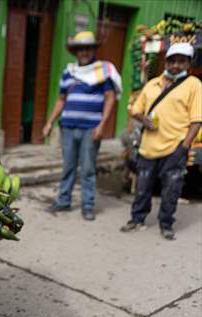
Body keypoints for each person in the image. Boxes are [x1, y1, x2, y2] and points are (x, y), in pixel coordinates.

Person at [120, 43, 201, 240]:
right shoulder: (152, 84)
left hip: (174, 147)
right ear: (166, 62)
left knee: (171, 189)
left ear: (188, 63)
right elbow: (136, 110)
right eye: (172, 61)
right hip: (148, 147)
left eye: (181, 61)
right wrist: (143, 120)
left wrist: (184, 146)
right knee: (142, 187)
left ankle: (166, 223)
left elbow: (197, 119)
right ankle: (137, 219)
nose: (175, 66)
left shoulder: (194, 85)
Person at [43, 31, 121, 221]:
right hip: (68, 127)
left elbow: (110, 98)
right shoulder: (68, 73)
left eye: (88, 48)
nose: (84, 52)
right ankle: (63, 201)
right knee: (68, 166)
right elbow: (61, 100)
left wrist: (102, 125)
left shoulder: (101, 71)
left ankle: (87, 205)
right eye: (81, 49)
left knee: (87, 168)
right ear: (76, 52)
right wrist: (49, 122)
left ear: (93, 50)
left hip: (91, 129)